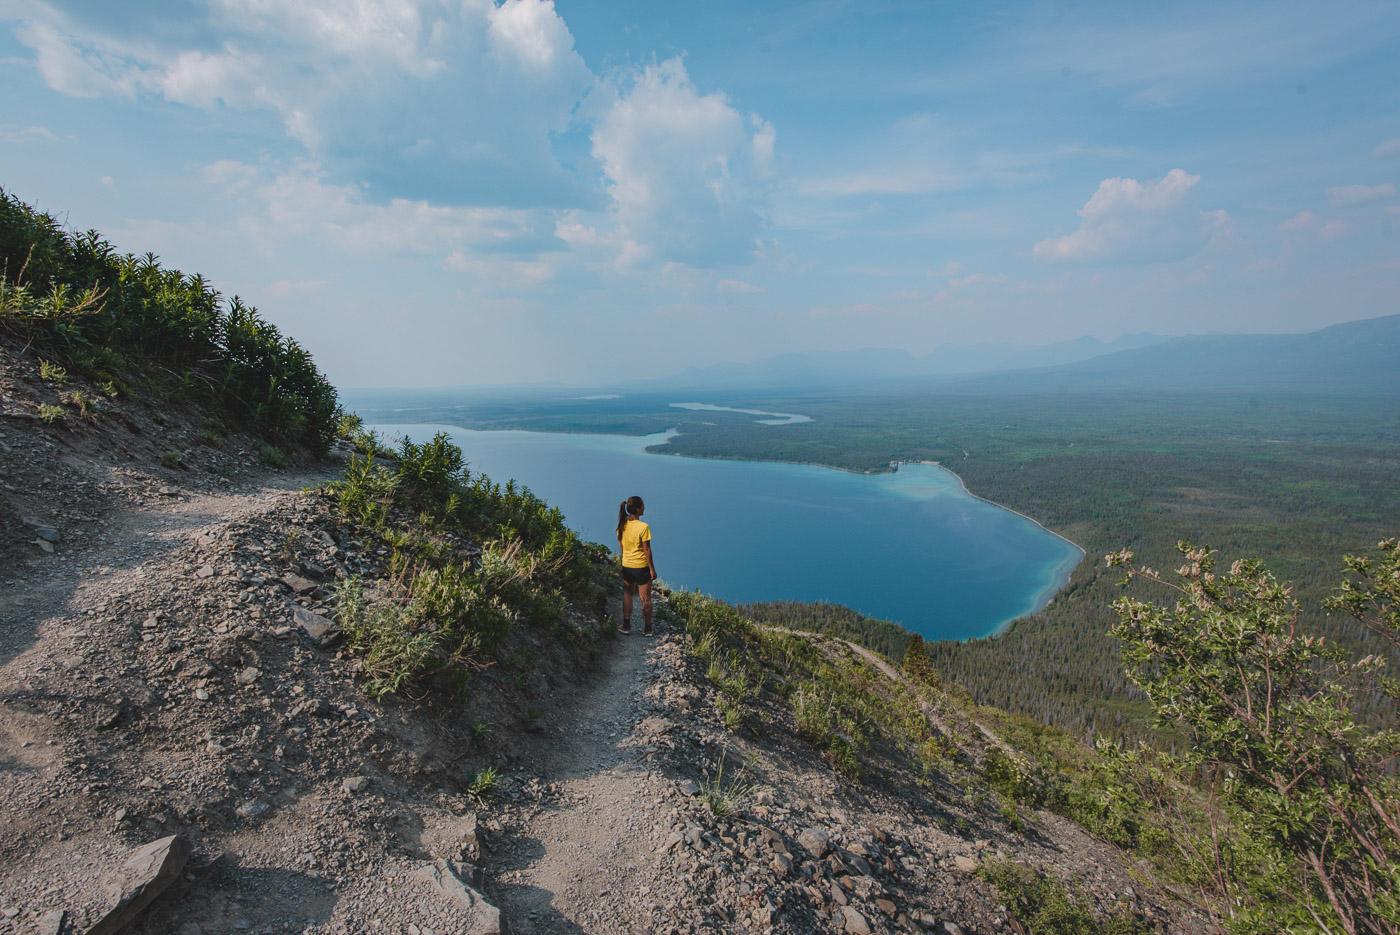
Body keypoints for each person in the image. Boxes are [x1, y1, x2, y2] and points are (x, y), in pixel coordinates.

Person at [616, 495, 657, 635]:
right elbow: (647, 550)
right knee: (645, 598)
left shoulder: (621, 525)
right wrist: (652, 569)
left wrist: (628, 556)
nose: (644, 507)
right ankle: (648, 629)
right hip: (641, 567)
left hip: (627, 565)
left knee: (628, 593)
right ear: (638, 509)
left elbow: (621, 547)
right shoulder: (643, 527)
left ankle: (626, 626)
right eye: (643, 505)